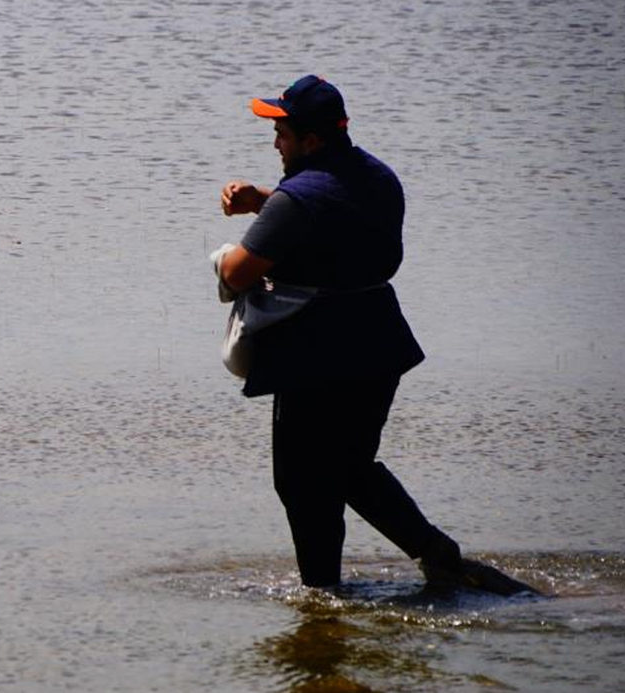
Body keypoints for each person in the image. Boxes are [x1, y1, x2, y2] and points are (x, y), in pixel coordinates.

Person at [215, 75, 534, 594]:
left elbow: (237, 275)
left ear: (312, 140)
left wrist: (230, 250)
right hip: (379, 346)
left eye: (283, 133)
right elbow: (336, 209)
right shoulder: (379, 178)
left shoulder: (295, 203)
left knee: (300, 482)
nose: (275, 143)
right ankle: (436, 553)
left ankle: (322, 596)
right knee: (347, 466)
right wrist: (267, 202)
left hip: (316, 355)